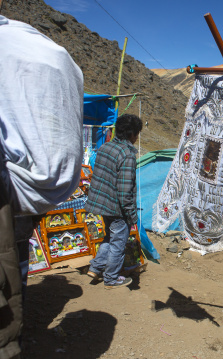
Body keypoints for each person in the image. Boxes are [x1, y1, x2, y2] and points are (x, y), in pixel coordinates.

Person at [0, 9, 84, 357]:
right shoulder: (32, 46)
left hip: (12, 184)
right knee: (14, 259)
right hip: (25, 192)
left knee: (12, 261)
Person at [86, 114, 142, 289]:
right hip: (116, 207)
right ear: (132, 134)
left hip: (101, 204)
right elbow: (125, 191)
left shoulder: (105, 147)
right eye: (137, 133)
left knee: (110, 238)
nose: (137, 137)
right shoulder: (127, 155)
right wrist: (132, 216)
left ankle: (95, 268)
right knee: (118, 242)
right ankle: (111, 278)